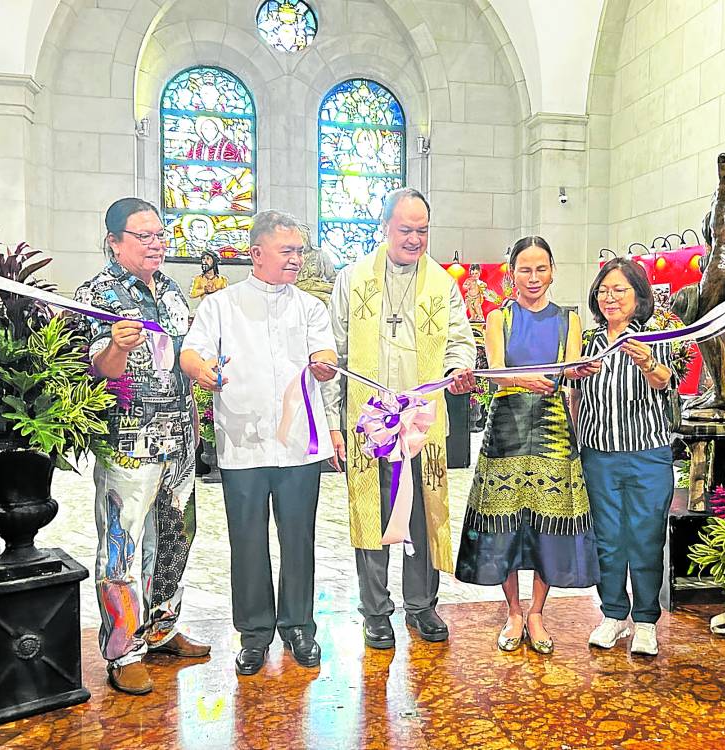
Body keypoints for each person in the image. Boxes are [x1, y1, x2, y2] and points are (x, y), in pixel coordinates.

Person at [181, 210, 337, 676]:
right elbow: (192, 351)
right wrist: (201, 370)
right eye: (287, 251)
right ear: (256, 253)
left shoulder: (310, 307)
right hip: (242, 443)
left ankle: (299, 626)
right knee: (247, 541)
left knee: (299, 538)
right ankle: (253, 634)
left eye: (299, 251)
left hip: (297, 444)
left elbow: (324, 351)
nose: (296, 259)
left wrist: (324, 362)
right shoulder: (221, 305)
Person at [321, 188, 476, 649]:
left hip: (423, 422)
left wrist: (458, 369)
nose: (414, 239)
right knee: (371, 513)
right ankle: (375, 610)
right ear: (384, 227)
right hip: (368, 421)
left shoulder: (442, 284)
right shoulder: (352, 280)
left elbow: (460, 340)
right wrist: (333, 424)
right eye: (405, 229)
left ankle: (422, 605)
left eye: (422, 230)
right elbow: (334, 355)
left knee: (423, 513)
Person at [74, 197, 209, 696]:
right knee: (123, 545)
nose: (157, 244)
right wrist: (117, 345)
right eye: (144, 236)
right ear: (114, 242)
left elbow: (185, 355)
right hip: (129, 441)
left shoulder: (171, 290)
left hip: (180, 437)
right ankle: (123, 650)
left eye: (160, 235)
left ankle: (161, 628)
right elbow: (98, 371)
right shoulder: (95, 295)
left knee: (176, 536)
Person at [456, 237, 600, 654]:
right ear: (512, 273)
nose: (533, 277)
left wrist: (581, 372)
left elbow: (569, 373)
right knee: (505, 522)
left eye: (541, 269)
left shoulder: (569, 320)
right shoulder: (498, 318)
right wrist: (523, 380)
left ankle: (537, 612)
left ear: (552, 271)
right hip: (507, 425)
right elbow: (496, 372)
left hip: (553, 424)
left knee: (548, 521)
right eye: (525, 269)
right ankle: (514, 612)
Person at [569, 257, 680, 657]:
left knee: (646, 539)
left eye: (619, 290)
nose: (610, 298)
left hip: (647, 455)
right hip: (598, 456)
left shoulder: (655, 339)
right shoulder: (588, 343)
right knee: (607, 540)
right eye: (603, 291)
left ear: (638, 296)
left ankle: (646, 621)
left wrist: (647, 362)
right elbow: (575, 395)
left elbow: (665, 382)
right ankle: (613, 615)